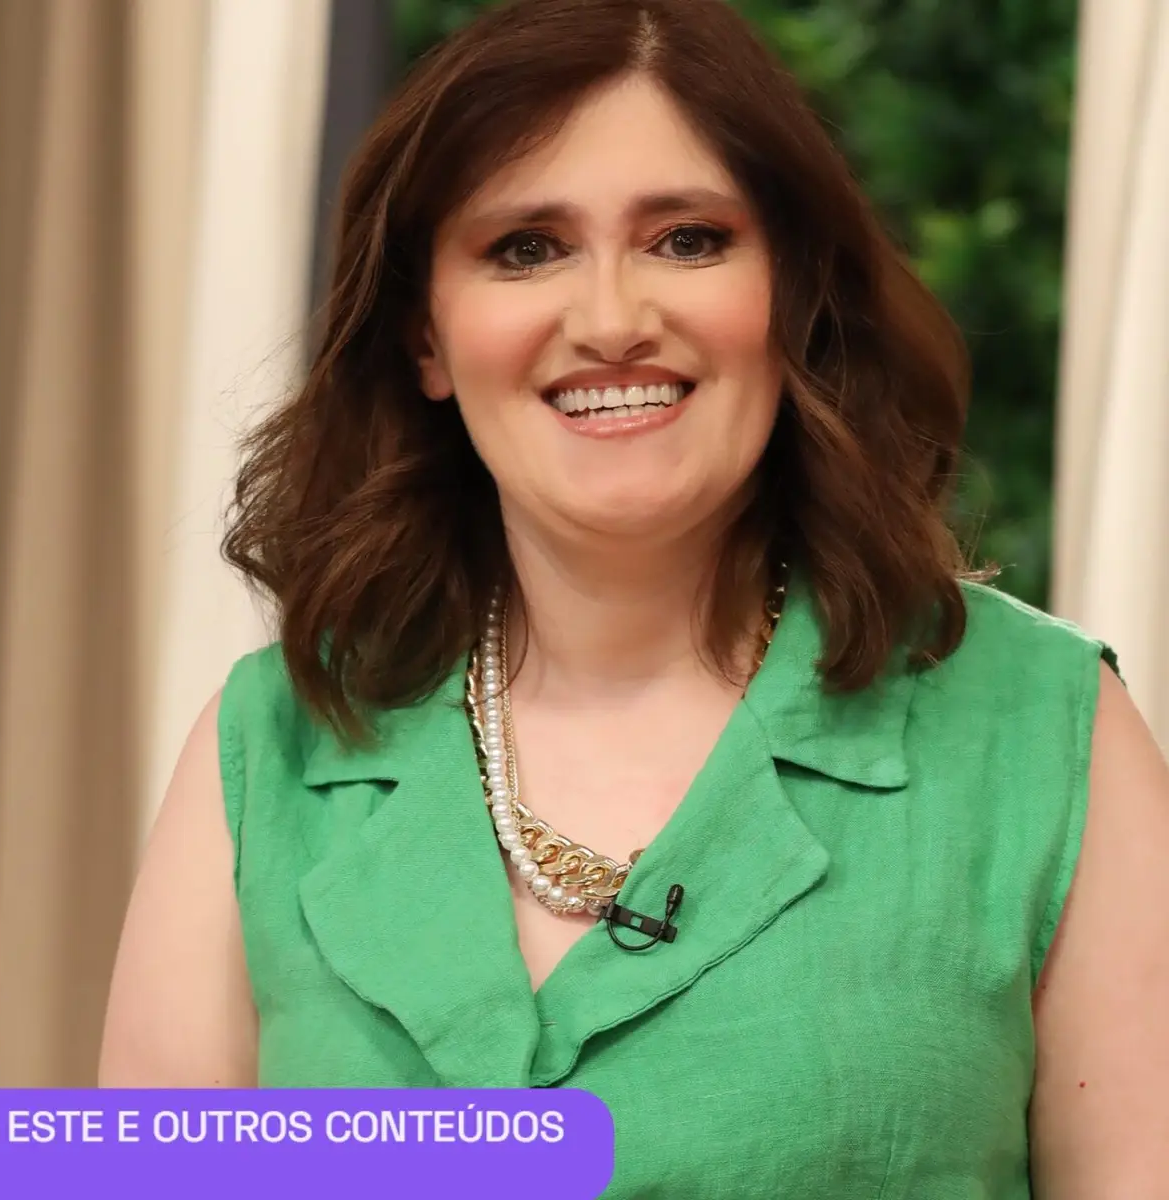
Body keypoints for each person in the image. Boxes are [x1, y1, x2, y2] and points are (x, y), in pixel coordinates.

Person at [99, 0, 1169, 1194]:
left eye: (688, 240)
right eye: (526, 248)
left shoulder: (1051, 732)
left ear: (797, 294)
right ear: (426, 340)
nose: (611, 321)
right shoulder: (267, 749)